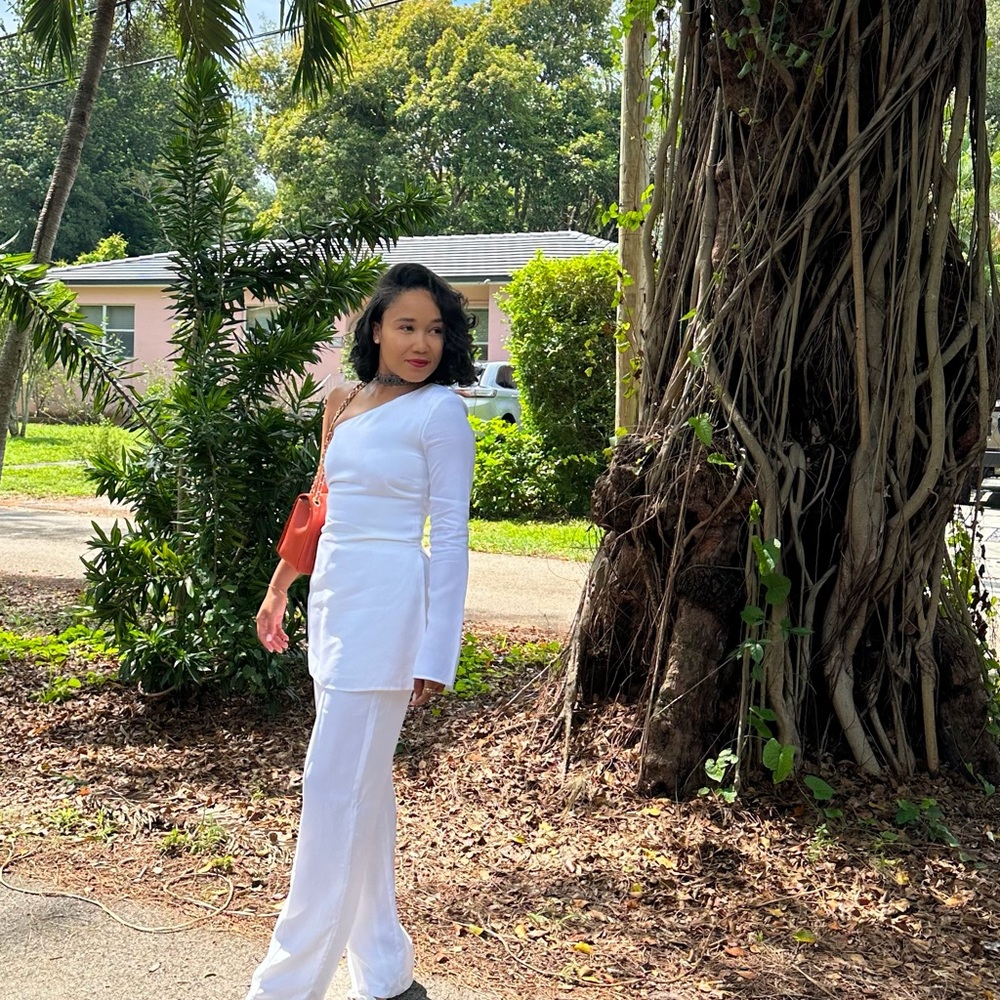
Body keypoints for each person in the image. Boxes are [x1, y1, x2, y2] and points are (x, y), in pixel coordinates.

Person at [246, 262, 477, 1000]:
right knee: (362, 792)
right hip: (337, 605)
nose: (422, 343)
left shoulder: (441, 413)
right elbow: (320, 503)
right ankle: (385, 971)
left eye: (436, 329)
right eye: (407, 326)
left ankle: (284, 987)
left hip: (390, 612)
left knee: (332, 789)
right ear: (375, 327)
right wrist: (282, 587)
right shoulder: (343, 401)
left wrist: (438, 649)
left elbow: (450, 537)